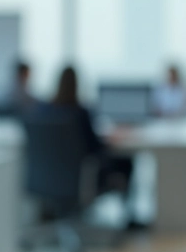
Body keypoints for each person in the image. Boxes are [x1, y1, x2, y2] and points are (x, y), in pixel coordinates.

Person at [48, 66, 145, 229]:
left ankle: (50, 214)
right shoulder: (80, 113)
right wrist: (109, 139)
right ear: (77, 85)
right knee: (127, 161)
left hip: (51, 177)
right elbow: (94, 147)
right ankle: (128, 217)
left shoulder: (47, 112)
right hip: (83, 176)